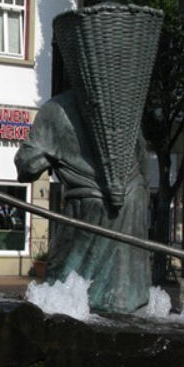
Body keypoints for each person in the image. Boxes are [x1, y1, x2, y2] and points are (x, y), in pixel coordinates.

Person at [14, 90, 150, 313]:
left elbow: (27, 167)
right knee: (127, 301)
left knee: (60, 298)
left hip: (88, 213)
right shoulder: (123, 107)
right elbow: (143, 162)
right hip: (134, 206)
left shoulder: (57, 109)